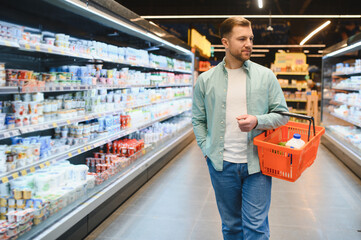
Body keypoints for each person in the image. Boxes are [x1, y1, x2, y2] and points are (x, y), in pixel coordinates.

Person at [191, 17, 289, 240]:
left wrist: (257, 121)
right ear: (225, 42)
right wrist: (206, 149)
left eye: (251, 38)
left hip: (258, 164)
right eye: (242, 38)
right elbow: (198, 119)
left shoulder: (266, 76)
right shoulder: (206, 80)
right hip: (221, 165)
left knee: (256, 227)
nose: (249, 44)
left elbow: (282, 115)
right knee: (232, 226)